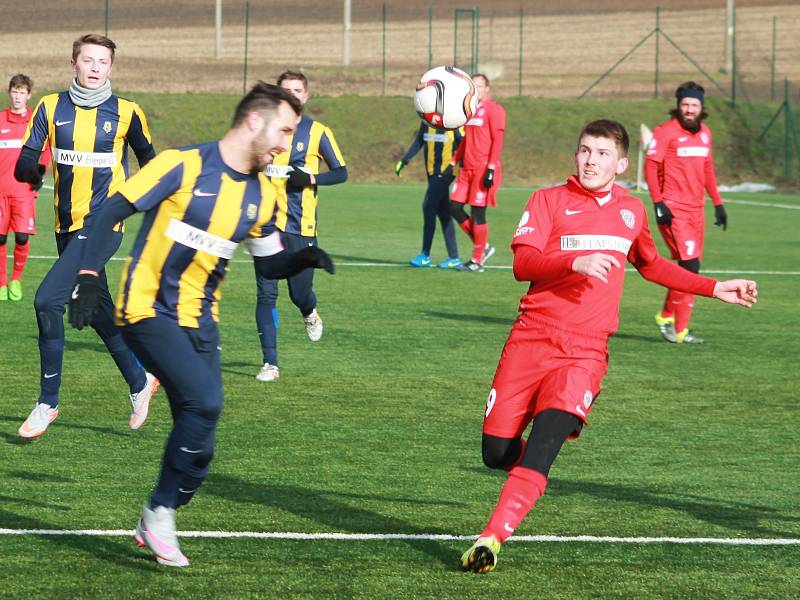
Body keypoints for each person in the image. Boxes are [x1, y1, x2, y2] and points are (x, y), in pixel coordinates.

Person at [460, 119, 757, 574]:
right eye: (584, 150)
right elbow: (523, 263)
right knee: (496, 453)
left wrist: (714, 287)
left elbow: (653, 265)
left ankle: (492, 537)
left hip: (585, 352)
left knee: (545, 442)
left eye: (601, 154)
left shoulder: (631, 211)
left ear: (621, 163)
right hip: (530, 340)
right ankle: (531, 478)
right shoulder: (547, 200)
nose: (590, 160)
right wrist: (572, 261)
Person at [67, 82, 334, 567]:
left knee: (201, 452)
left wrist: (303, 259)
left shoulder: (261, 193)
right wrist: (86, 275)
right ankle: (161, 512)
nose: (287, 144)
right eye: (285, 130)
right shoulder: (181, 164)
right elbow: (111, 210)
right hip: (146, 309)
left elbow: (269, 263)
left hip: (202, 321)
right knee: (204, 400)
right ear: (254, 121)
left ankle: (158, 509)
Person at [14, 33, 159, 438]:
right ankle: (139, 380)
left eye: (103, 62)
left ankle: (48, 401)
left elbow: (151, 164)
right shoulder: (49, 106)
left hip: (104, 224)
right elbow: (28, 156)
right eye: (88, 60)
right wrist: (30, 171)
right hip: (66, 225)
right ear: (73, 63)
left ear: (111, 68)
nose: (95, 68)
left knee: (46, 301)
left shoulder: (127, 112)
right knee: (96, 311)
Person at [254, 70, 347, 383]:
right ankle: (270, 362)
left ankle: (309, 311)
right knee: (266, 294)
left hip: (301, 227)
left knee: (300, 293)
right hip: (265, 225)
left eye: (297, 90)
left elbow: (341, 172)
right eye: (286, 90)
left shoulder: (317, 132)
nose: (292, 95)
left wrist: (310, 178)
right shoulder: (261, 128)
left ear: (305, 96)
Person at [645, 81, 727, 344]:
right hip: (673, 209)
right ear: (678, 106)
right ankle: (679, 328)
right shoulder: (665, 132)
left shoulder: (706, 134)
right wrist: (658, 203)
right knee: (691, 267)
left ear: (701, 107)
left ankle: (669, 318)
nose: (689, 109)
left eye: (694, 105)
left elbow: (708, 170)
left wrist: (718, 203)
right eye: (685, 105)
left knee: (689, 268)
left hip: (696, 210)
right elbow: (650, 166)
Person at [446, 73, 505, 273]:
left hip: (483, 169)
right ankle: (484, 246)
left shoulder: (494, 109)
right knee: (454, 207)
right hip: (467, 169)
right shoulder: (469, 111)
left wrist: (490, 168)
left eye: (480, 86)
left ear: (487, 88)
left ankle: (477, 260)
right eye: (474, 86)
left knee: (478, 212)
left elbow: (497, 140)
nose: (477, 89)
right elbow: (466, 140)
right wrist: (455, 160)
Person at [0, 74, 51, 302]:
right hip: (0, 191)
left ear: (29, 95)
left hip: (23, 192)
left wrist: (38, 173)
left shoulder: (35, 122)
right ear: (9, 93)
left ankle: (16, 280)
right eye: (14, 91)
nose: (18, 96)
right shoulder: (0, 120)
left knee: (21, 237)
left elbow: (47, 150)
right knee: (0, 239)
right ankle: (1, 283)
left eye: (22, 92)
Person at [395, 121, 463, 269]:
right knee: (443, 213)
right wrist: (404, 160)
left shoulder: (454, 119)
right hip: (432, 172)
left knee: (428, 206)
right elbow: (420, 139)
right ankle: (454, 258)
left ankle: (425, 255)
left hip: (446, 172)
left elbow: (464, 145)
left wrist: (463, 169)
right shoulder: (427, 119)